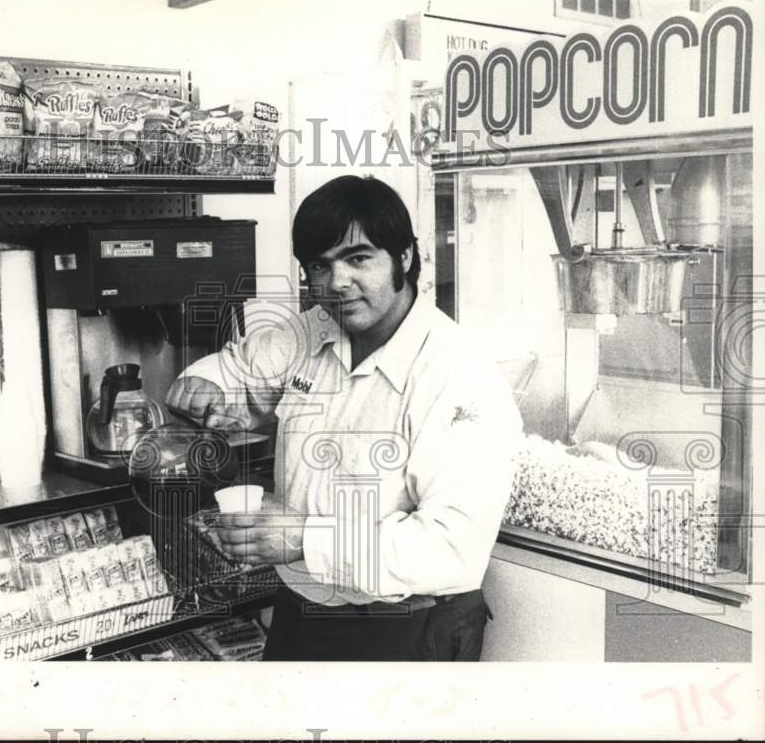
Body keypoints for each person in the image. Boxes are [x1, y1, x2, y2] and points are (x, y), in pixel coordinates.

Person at [166, 174, 523, 661]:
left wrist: (302, 537)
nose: (337, 283)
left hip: (409, 627)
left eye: (358, 259)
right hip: (302, 610)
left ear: (404, 257)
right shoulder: (315, 330)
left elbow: (451, 550)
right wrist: (205, 382)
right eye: (320, 265)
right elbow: (241, 369)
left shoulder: (459, 374)